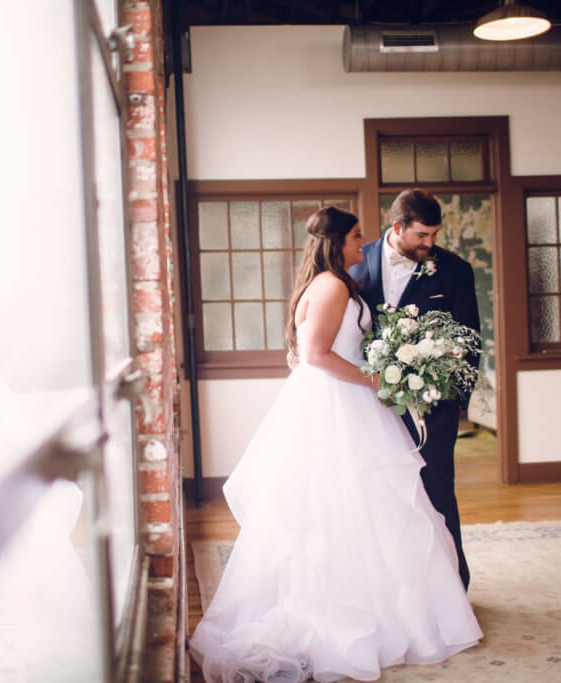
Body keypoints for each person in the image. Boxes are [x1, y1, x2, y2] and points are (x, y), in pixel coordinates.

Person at [189, 206, 481, 683]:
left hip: (349, 400)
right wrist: (376, 381)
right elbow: (315, 355)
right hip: (341, 403)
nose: (361, 242)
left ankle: (390, 605)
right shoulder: (331, 285)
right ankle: (353, 611)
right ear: (338, 241)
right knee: (346, 507)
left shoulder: (337, 280)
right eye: (355, 235)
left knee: (375, 508)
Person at [349, 188, 482, 590]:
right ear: (398, 227)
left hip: (431, 406)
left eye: (434, 235)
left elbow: (469, 339)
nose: (430, 244)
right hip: (369, 403)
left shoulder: (455, 271)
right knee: (380, 495)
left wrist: (454, 404)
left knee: (437, 490)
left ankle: (453, 587)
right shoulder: (355, 264)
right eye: (422, 235)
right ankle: (393, 590)